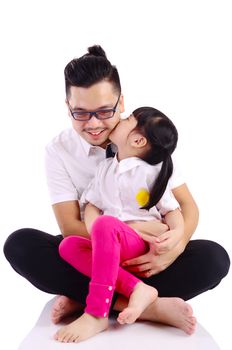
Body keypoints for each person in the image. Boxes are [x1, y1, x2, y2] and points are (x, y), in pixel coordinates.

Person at [3, 45, 230, 335]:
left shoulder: (144, 138)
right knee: (21, 245)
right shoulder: (59, 150)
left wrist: (174, 247)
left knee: (214, 258)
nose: (94, 124)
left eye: (104, 111)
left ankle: (92, 298)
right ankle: (145, 305)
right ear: (67, 107)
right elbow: (70, 225)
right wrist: (123, 233)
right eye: (81, 113)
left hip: (146, 254)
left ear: (122, 103)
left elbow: (186, 208)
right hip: (94, 247)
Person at [54, 107, 195, 343]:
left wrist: (177, 234)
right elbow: (92, 206)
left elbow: (173, 211)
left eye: (129, 119)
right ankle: (137, 289)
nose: (123, 119)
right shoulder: (105, 169)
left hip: (138, 248)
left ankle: (97, 312)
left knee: (211, 257)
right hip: (108, 244)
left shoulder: (152, 172)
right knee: (67, 246)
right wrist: (95, 230)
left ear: (138, 140)